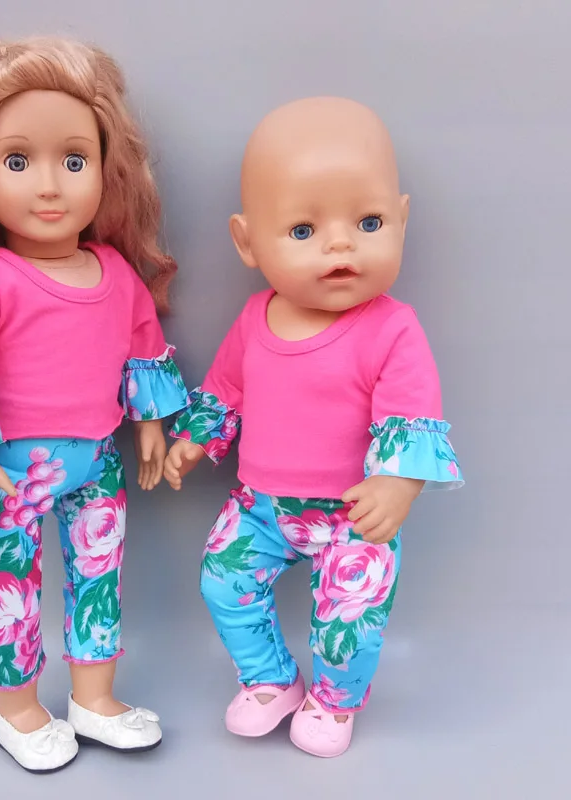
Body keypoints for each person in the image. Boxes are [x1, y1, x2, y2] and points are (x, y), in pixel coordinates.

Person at [0, 36, 188, 773]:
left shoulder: (113, 271)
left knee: (99, 578)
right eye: (18, 162)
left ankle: (94, 697)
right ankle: (15, 707)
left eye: (74, 160)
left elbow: (142, 345)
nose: (49, 186)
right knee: (10, 588)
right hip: (8, 470)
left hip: (98, 462)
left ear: (107, 171)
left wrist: (151, 422)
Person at [164, 96, 464, 758]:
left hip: (354, 514)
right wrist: (194, 439)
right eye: (303, 230)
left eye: (368, 222)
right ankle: (271, 679)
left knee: (348, 619)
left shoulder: (392, 328)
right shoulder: (256, 317)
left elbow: (412, 414)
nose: (340, 244)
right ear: (247, 242)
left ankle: (333, 701)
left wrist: (398, 483)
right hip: (262, 506)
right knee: (223, 581)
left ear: (401, 220)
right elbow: (227, 388)